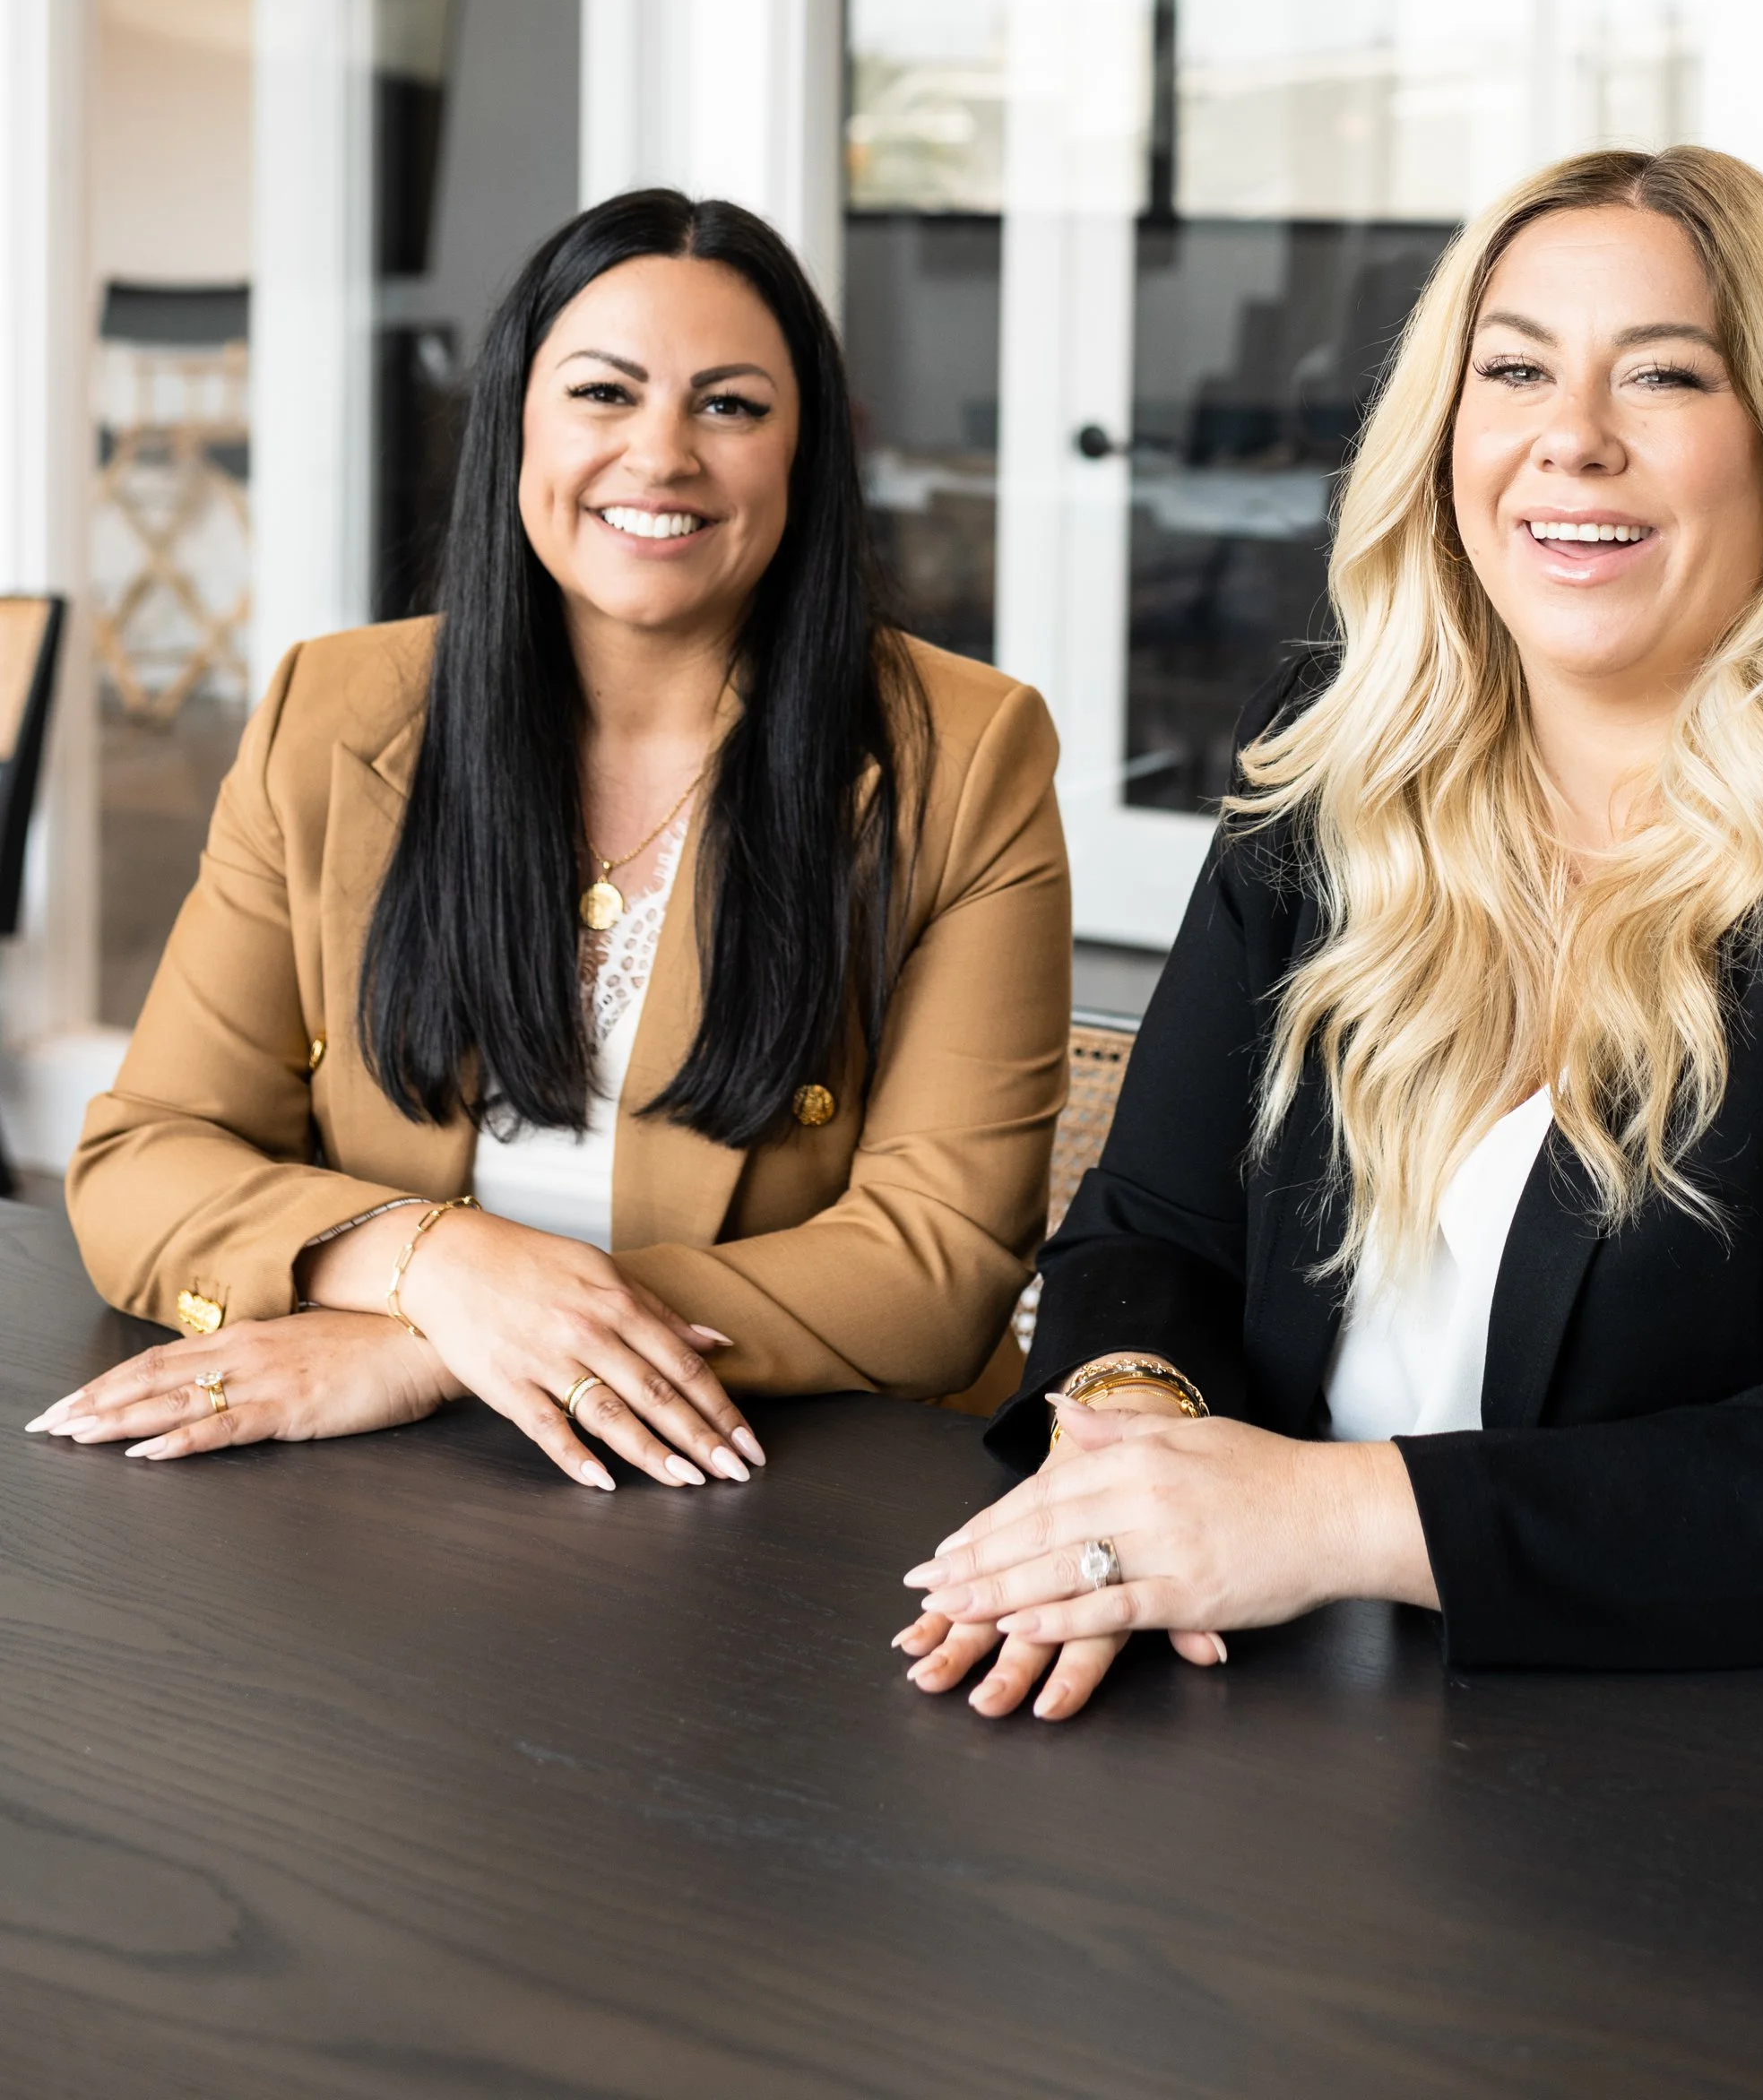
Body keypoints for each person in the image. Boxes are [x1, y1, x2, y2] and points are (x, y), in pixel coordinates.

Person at [897, 144, 1763, 1719]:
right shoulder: (1346, 761)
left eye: (1663, 378)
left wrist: (1318, 1519)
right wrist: (1132, 1432)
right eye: (1516, 369)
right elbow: (1153, 1228)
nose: (1571, 442)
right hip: (1373, 1736)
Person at [45, 192, 1068, 1492]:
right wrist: (441, 1267)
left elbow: (936, 1271)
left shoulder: (964, 756)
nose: (660, 454)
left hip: (780, 1492)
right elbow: (146, 1160)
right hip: (380, 1499)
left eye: (731, 405)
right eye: (602, 392)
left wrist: (441, 1345)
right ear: (515, 422)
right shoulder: (331, 713)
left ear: (805, 453)